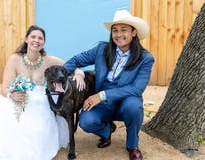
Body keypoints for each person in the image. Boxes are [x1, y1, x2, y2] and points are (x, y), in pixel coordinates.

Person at [0, 25, 69, 160]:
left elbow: (70, 65)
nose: (36, 40)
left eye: (40, 38)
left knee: (37, 131)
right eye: (33, 37)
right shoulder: (15, 59)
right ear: (26, 39)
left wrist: (79, 73)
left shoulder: (48, 59)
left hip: (39, 103)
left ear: (43, 42)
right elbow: (4, 88)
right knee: (8, 124)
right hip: (16, 98)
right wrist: (12, 94)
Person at [63, 10, 154, 160]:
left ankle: (132, 145)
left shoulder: (145, 58)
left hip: (127, 99)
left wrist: (101, 95)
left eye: (124, 30)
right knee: (85, 121)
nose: (119, 35)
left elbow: (136, 89)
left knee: (133, 108)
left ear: (134, 33)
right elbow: (75, 60)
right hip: (104, 104)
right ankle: (107, 131)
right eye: (115, 30)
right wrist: (64, 76)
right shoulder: (101, 49)